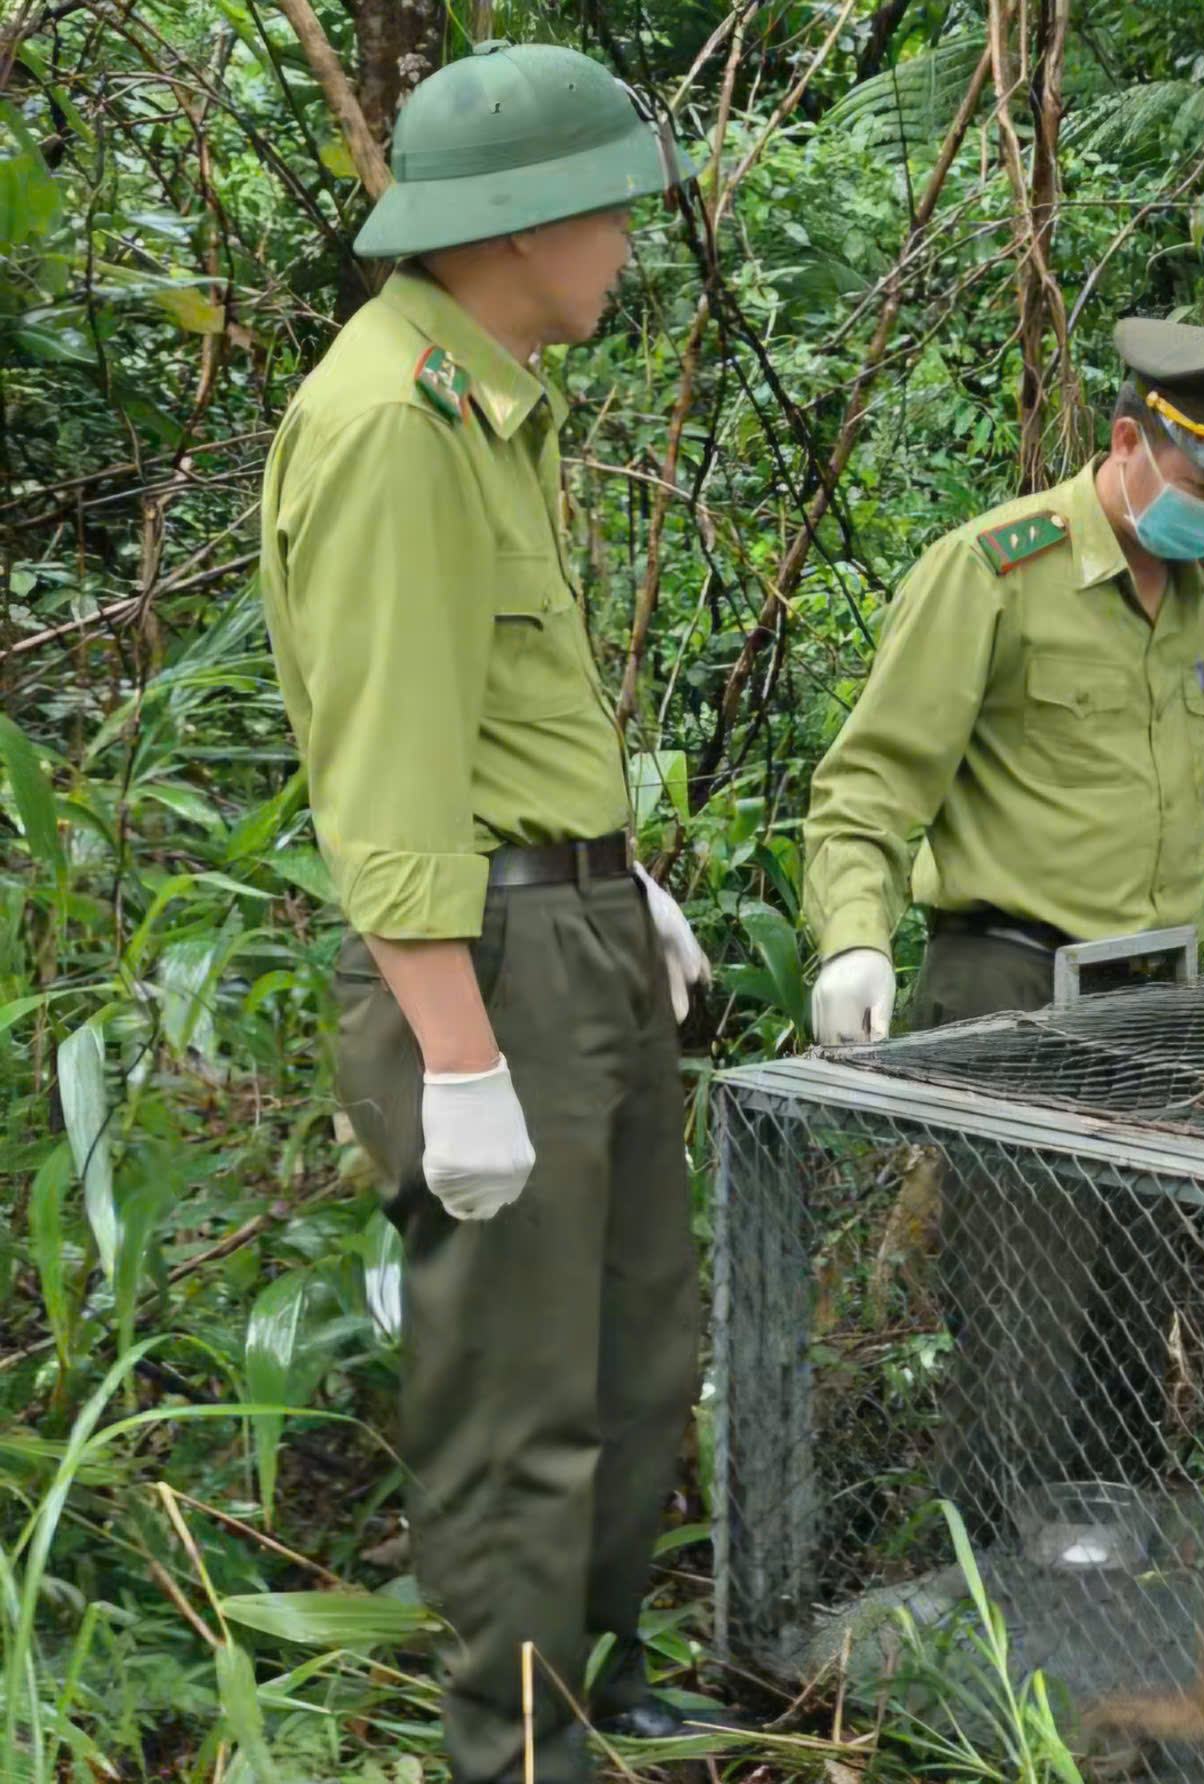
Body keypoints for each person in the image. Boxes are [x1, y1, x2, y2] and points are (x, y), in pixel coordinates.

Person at [257, 43, 740, 1782]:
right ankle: (519, 1745)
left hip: (569, 929)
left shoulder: (485, 402)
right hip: (485, 961)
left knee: (634, 1345)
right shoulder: (391, 423)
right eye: (609, 211)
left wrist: (621, 876)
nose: (626, 245)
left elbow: (502, 721)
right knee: (517, 1388)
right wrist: (458, 1059)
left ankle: (600, 1679)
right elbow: (387, 779)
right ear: (525, 223)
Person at [798, 316, 1204, 1533]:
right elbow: (870, 782)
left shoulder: (1197, 592)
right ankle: (995, 1610)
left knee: (1138, 1329)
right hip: (1017, 993)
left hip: (1158, 1007)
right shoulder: (993, 572)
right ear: (1126, 443)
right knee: (1024, 1334)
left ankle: (1120, 1594)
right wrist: (853, 936)